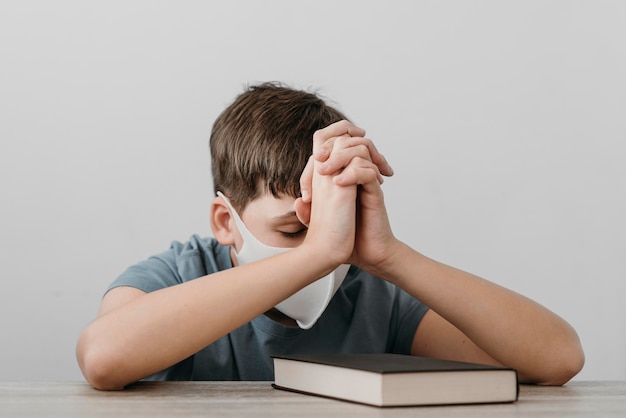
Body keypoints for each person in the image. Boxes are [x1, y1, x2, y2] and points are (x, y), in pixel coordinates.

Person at [76, 82, 584, 390]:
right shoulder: (179, 273)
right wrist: (318, 251)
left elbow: (558, 360)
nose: (327, 257)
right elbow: (103, 358)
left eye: (337, 228)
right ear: (225, 222)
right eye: (295, 229)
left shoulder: (372, 293)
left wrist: (389, 254)